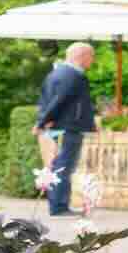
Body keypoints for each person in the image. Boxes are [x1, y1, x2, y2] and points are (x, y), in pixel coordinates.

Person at [33, 42, 97, 217]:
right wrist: (41, 122)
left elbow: (45, 100)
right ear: (82, 56)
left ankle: (58, 204)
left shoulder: (54, 73)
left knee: (58, 166)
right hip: (69, 127)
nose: (92, 61)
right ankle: (59, 206)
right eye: (91, 56)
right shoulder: (74, 75)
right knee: (64, 166)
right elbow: (59, 101)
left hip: (59, 126)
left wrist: (42, 121)